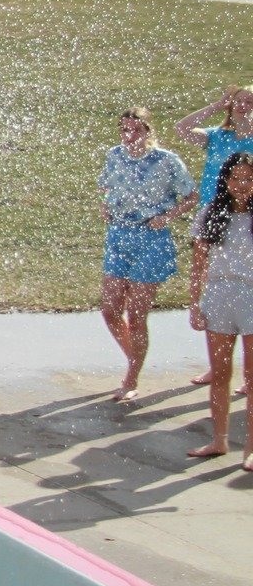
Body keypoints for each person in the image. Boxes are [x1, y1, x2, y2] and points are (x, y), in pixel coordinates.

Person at [96, 107, 197, 403]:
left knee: (137, 314)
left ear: (148, 131)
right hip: (118, 235)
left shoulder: (167, 161)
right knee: (110, 309)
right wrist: (104, 204)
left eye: (136, 130)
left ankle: (131, 377)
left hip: (151, 238)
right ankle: (134, 357)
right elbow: (105, 186)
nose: (130, 136)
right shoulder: (115, 155)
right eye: (125, 130)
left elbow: (191, 196)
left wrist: (169, 215)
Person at [175, 86, 253, 389]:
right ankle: (217, 364)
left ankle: (249, 374)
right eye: (239, 101)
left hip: (247, 216)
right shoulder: (216, 136)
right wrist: (216, 106)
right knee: (212, 284)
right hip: (214, 215)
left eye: (249, 102)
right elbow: (181, 129)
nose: (244, 106)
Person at [186, 154, 253, 467]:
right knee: (221, 374)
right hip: (218, 295)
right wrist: (194, 304)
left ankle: (250, 449)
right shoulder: (210, 213)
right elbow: (198, 264)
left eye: (248, 178)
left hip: (250, 295)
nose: (242, 185)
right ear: (225, 181)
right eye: (236, 178)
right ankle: (219, 440)